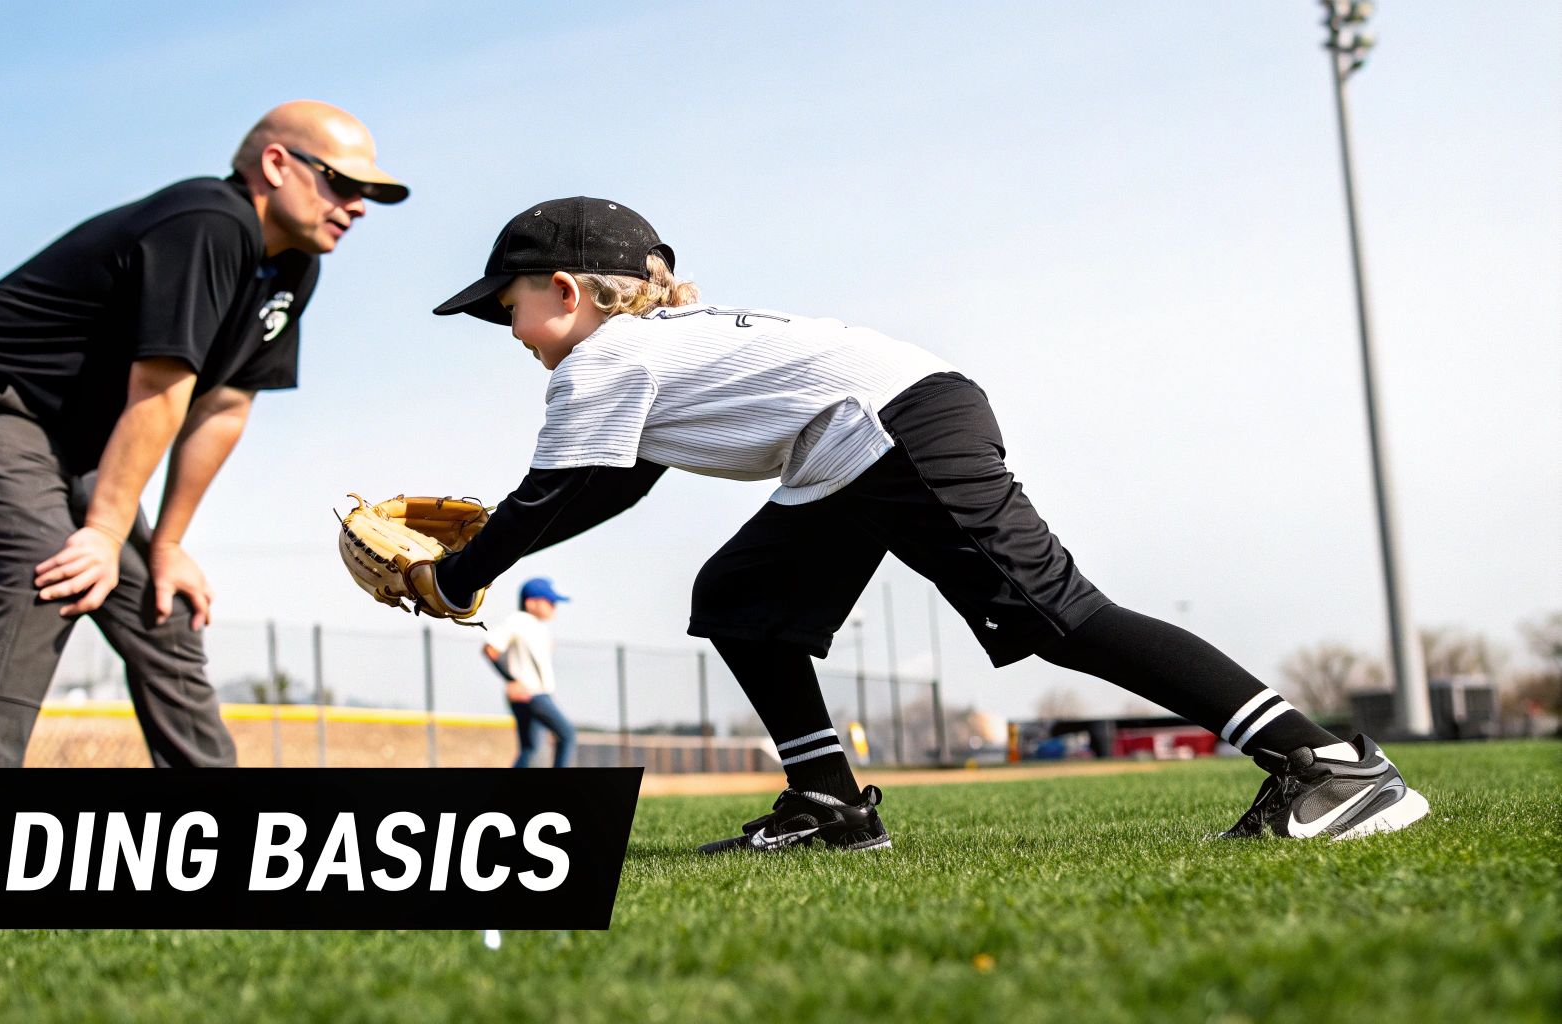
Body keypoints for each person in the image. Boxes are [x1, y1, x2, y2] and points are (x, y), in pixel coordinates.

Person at [427, 196, 1430, 852]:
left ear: (563, 292)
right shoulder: (649, 349)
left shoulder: (604, 357)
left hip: (890, 427)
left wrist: (458, 575)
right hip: (861, 437)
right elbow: (616, 483)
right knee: (739, 601)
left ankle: (1325, 764)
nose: (507, 330)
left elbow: (564, 491)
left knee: (1054, 612)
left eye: (507, 307)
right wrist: (482, 561)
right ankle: (826, 804)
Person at [0, 100, 407, 767]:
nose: (359, 205)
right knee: (53, 571)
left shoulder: (293, 269)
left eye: (370, 194)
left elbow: (223, 408)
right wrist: (102, 533)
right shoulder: (209, 222)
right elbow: (161, 389)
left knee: (166, 609)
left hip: (69, 444)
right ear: (277, 164)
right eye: (344, 183)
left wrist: (168, 544)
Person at [482, 577, 579, 768]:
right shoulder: (518, 621)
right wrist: (512, 680)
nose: (554, 607)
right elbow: (490, 649)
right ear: (531, 602)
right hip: (533, 695)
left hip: (533, 695)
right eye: (550, 602)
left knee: (530, 748)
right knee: (567, 735)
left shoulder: (537, 627)